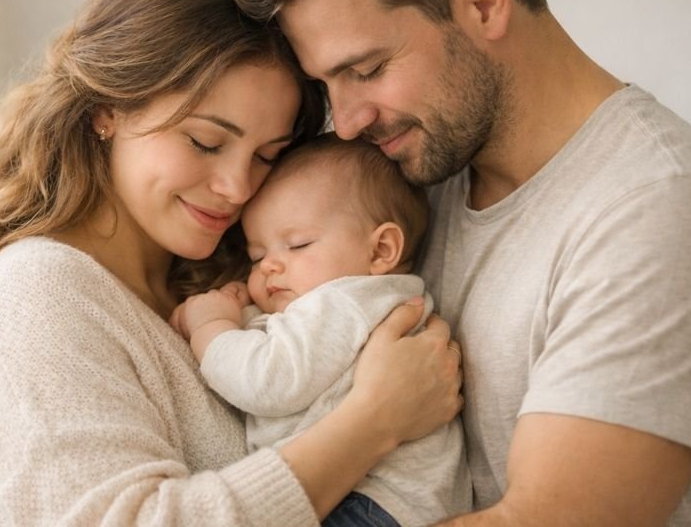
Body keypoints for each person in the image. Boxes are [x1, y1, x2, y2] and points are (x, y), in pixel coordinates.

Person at [227, 0, 691, 525]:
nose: (344, 122)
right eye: (326, 83)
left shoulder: (663, 212)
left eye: (366, 69)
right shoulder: (407, 174)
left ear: (482, 1)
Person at [0, 0, 464, 526]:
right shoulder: (32, 291)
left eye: (266, 157)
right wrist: (374, 421)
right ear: (108, 110)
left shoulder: (226, 283)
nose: (235, 187)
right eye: (205, 141)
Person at [172, 134, 472, 527]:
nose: (269, 267)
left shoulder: (345, 301)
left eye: (297, 245)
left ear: (380, 251)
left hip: (371, 504)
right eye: (257, 255)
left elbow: (269, 378)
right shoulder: (354, 302)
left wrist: (210, 326)